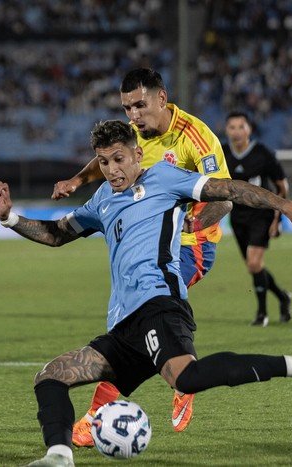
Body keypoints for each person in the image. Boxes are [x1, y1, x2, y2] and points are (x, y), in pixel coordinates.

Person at [0, 120, 292, 467]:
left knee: (186, 378)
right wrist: (9, 217)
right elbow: (57, 234)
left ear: (137, 154)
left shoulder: (165, 178)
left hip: (158, 304)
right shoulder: (103, 198)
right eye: (103, 162)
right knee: (51, 376)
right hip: (123, 326)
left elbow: (228, 190)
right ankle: (59, 456)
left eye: (118, 159)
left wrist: (285, 206)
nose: (111, 169)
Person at [52, 68, 232, 441]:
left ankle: (173, 384)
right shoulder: (133, 137)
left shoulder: (196, 138)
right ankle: (177, 375)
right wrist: (77, 180)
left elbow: (225, 198)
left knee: (142, 315)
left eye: (139, 105)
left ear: (161, 99)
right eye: (127, 107)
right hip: (146, 241)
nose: (132, 114)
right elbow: (106, 159)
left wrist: (187, 227)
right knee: (134, 320)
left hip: (192, 246)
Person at [222, 111, 292, 326]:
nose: (236, 132)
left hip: (262, 214)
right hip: (237, 216)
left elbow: (282, 186)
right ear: (226, 130)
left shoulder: (262, 153)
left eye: (240, 127)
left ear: (249, 130)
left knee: (254, 263)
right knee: (254, 266)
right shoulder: (222, 153)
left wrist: (277, 219)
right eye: (231, 127)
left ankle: (262, 314)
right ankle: (282, 297)